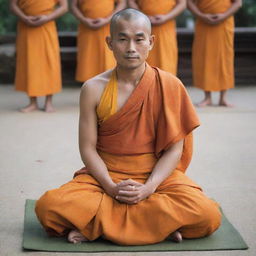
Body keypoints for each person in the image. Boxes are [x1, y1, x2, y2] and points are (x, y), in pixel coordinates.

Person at [35, 8, 221, 245]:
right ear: (110, 43)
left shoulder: (170, 85)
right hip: (105, 174)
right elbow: (88, 148)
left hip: (155, 176)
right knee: (48, 208)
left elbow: (175, 150)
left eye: (139, 39)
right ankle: (158, 225)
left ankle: (98, 226)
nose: (131, 47)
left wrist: (148, 189)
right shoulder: (93, 88)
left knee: (208, 214)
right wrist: (111, 188)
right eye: (122, 39)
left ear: (151, 42)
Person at [10, 0, 68, 113]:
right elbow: (13, 5)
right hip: (26, 26)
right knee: (29, 62)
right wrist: (25, 18)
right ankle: (32, 102)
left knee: (49, 61)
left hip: (47, 26)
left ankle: (49, 102)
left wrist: (47, 17)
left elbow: (64, 7)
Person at [188, 0, 242, 107]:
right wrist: (201, 15)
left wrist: (224, 16)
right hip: (204, 23)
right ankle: (207, 97)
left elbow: (238, 3)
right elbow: (189, 3)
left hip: (224, 23)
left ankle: (223, 98)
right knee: (205, 58)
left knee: (224, 58)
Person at [71, 0, 126, 82]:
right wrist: (84, 20)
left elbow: (122, 3)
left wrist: (108, 19)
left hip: (108, 27)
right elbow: (73, 6)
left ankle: (110, 89)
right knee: (87, 63)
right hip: (86, 28)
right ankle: (89, 90)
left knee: (109, 61)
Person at [127, 0, 186, 75]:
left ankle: (166, 84)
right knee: (143, 64)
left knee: (166, 64)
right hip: (143, 26)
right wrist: (143, 16)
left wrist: (166, 17)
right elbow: (131, 2)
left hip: (166, 28)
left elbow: (182, 4)